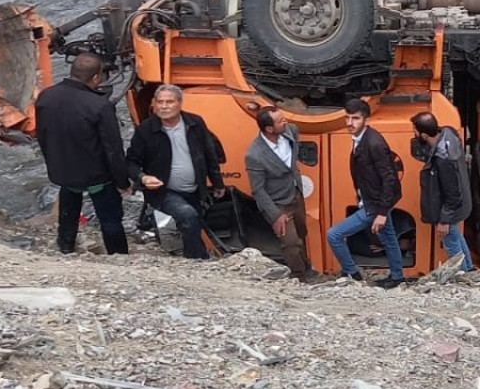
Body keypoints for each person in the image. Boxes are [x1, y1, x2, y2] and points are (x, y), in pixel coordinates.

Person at [33, 52, 130, 255]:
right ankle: (118, 256)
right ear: (96, 77)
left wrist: (53, 163)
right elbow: (113, 149)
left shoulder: (46, 96)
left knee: (68, 210)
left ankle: (65, 246)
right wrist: (122, 182)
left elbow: (42, 136)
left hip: (63, 172)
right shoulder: (99, 105)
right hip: (96, 176)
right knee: (110, 219)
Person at [126, 84, 225, 260]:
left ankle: (187, 254)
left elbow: (209, 153)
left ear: (179, 103)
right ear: (154, 104)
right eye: (160, 102)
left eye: (169, 102)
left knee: (193, 221)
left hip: (195, 189)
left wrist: (217, 182)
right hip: (164, 191)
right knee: (187, 215)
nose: (164, 106)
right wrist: (143, 177)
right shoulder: (146, 130)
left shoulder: (195, 123)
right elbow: (131, 162)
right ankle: (197, 260)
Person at [325, 98, 406, 288]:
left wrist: (381, 212)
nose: (349, 123)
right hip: (374, 200)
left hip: (374, 204)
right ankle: (397, 276)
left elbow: (389, 178)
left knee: (334, 235)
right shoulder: (363, 138)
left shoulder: (374, 143)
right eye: (347, 118)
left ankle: (352, 273)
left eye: (355, 118)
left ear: (365, 120)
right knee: (390, 238)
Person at [244, 107, 310, 280]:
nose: (286, 122)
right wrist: (275, 215)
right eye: (281, 121)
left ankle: (307, 268)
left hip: (295, 194)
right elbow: (258, 190)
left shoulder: (291, 132)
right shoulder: (255, 155)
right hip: (278, 204)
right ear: (269, 129)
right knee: (290, 243)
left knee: (301, 233)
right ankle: (299, 277)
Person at [411, 111, 474, 272]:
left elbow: (452, 192)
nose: (414, 134)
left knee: (451, 242)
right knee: (457, 237)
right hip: (461, 204)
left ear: (424, 135)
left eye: (415, 131)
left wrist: (444, 220)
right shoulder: (449, 136)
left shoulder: (443, 160)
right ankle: (470, 268)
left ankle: (464, 274)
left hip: (451, 208)